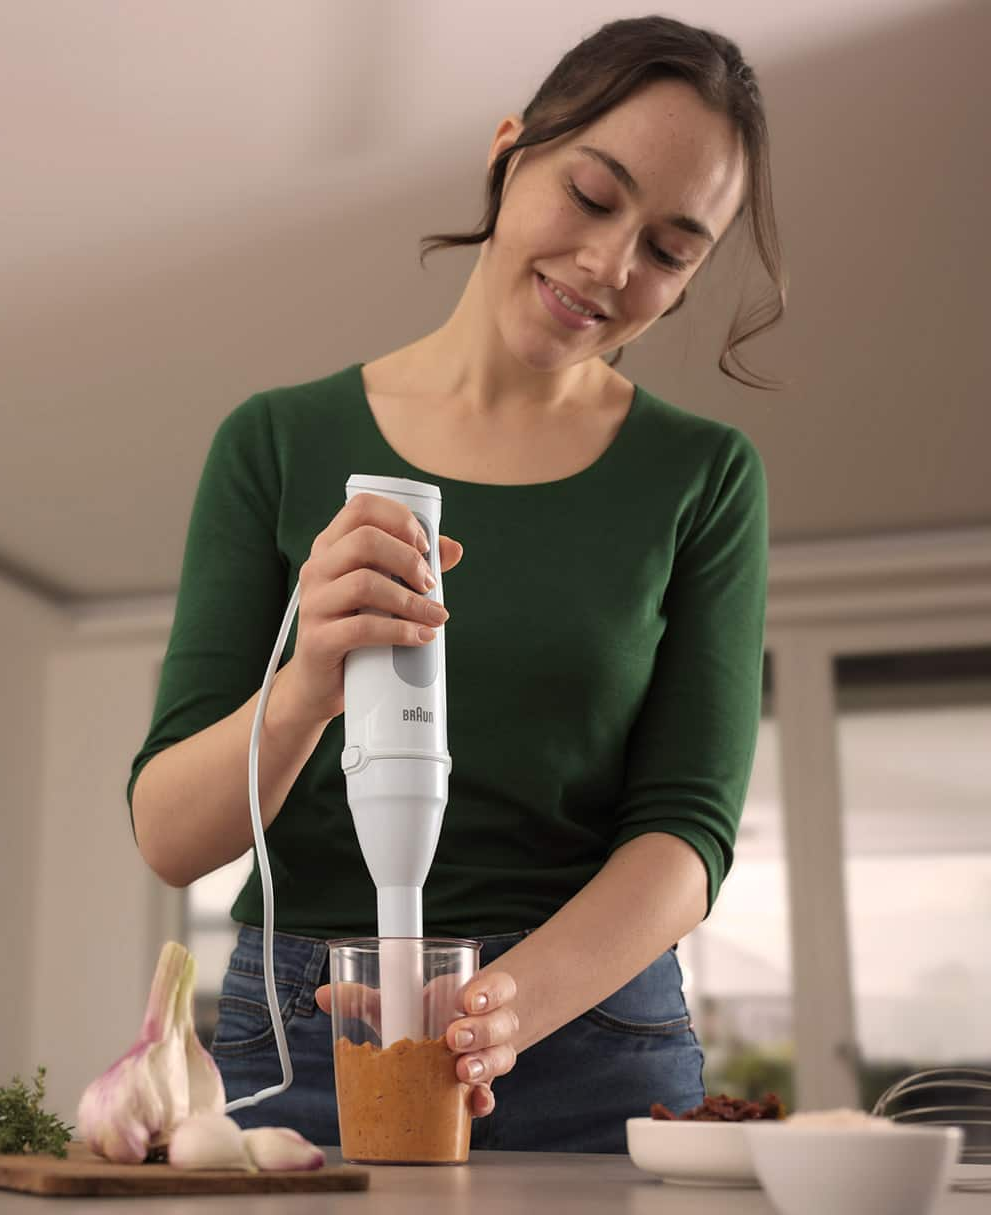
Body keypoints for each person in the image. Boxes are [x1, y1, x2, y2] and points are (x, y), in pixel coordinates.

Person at [128, 14, 785, 1153]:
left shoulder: (701, 477)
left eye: (671, 250)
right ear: (507, 153)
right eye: (591, 194)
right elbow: (170, 836)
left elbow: (686, 836)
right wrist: (307, 687)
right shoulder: (278, 442)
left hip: (595, 1043)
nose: (609, 266)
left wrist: (494, 1011)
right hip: (306, 1038)